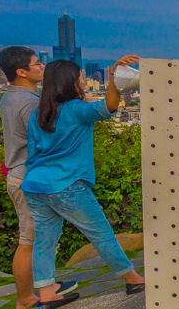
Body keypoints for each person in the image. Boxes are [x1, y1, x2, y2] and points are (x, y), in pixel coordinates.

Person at [21, 55, 146, 305]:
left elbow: (33, 152)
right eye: (80, 77)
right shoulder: (75, 110)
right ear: (70, 82)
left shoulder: (40, 114)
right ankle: (133, 280)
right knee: (101, 234)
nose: (83, 81)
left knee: (45, 239)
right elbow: (108, 107)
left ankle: (46, 293)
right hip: (66, 184)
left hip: (35, 185)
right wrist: (113, 78)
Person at [0, 46, 79, 309]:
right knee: (29, 242)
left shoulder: (9, 97)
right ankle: (26, 300)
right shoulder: (29, 103)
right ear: (21, 71)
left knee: (40, 238)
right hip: (27, 177)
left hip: (20, 174)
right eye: (37, 64)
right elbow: (49, 137)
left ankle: (47, 286)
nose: (42, 66)